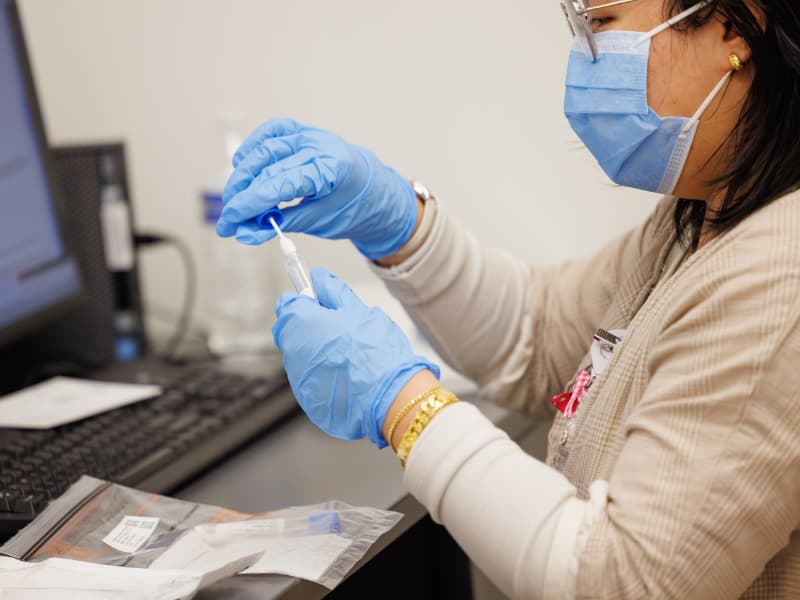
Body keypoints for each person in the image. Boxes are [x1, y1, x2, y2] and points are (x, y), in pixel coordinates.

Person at [215, 0, 800, 597]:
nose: (584, 54)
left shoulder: (782, 275)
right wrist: (399, 224)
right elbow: (537, 335)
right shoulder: (703, 215)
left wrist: (403, 406)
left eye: (600, 23)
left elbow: (620, 583)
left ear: (735, 23)